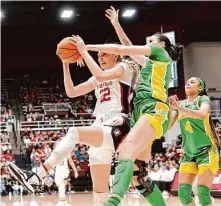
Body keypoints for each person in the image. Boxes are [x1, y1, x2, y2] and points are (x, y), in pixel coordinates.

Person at [68, 6, 182, 206]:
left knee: (125, 153)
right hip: (146, 115)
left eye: (152, 41)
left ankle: (110, 203)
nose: (149, 43)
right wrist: (116, 24)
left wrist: (87, 48)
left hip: (153, 110)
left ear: (162, 45)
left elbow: (122, 50)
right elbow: (127, 45)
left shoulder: (160, 54)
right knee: (140, 177)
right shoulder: (149, 63)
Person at [8, 37, 139, 205]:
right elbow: (71, 92)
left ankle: (38, 175)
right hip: (99, 126)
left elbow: (100, 74)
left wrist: (84, 51)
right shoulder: (97, 78)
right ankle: (37, 176)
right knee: (100, 193)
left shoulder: (124, 67)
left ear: (116, 55)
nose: (100, 58)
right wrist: (65, 63)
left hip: (118, 124)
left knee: (73, 132)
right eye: (98, 55)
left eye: (104, 54)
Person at [169, 77, 220, 206]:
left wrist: (179, 108)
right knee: (183, 195)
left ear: (200, 88)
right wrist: (171, 107)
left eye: (192, 82)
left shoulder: (203, 99)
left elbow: (202, 114)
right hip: (188, 153)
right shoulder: (180, 104)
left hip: (207, 150)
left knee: (202, 193)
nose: (187, 83)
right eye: (187, 82)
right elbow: (168, 126)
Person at [54, 140, 78, 206]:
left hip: (64, 170)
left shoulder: (67, 152)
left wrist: (75, 171)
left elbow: (71, 162)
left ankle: (61, 201)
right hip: (58, 171)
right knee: (60, 186)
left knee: (62, 185)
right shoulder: (55, 153)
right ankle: (63, 201)